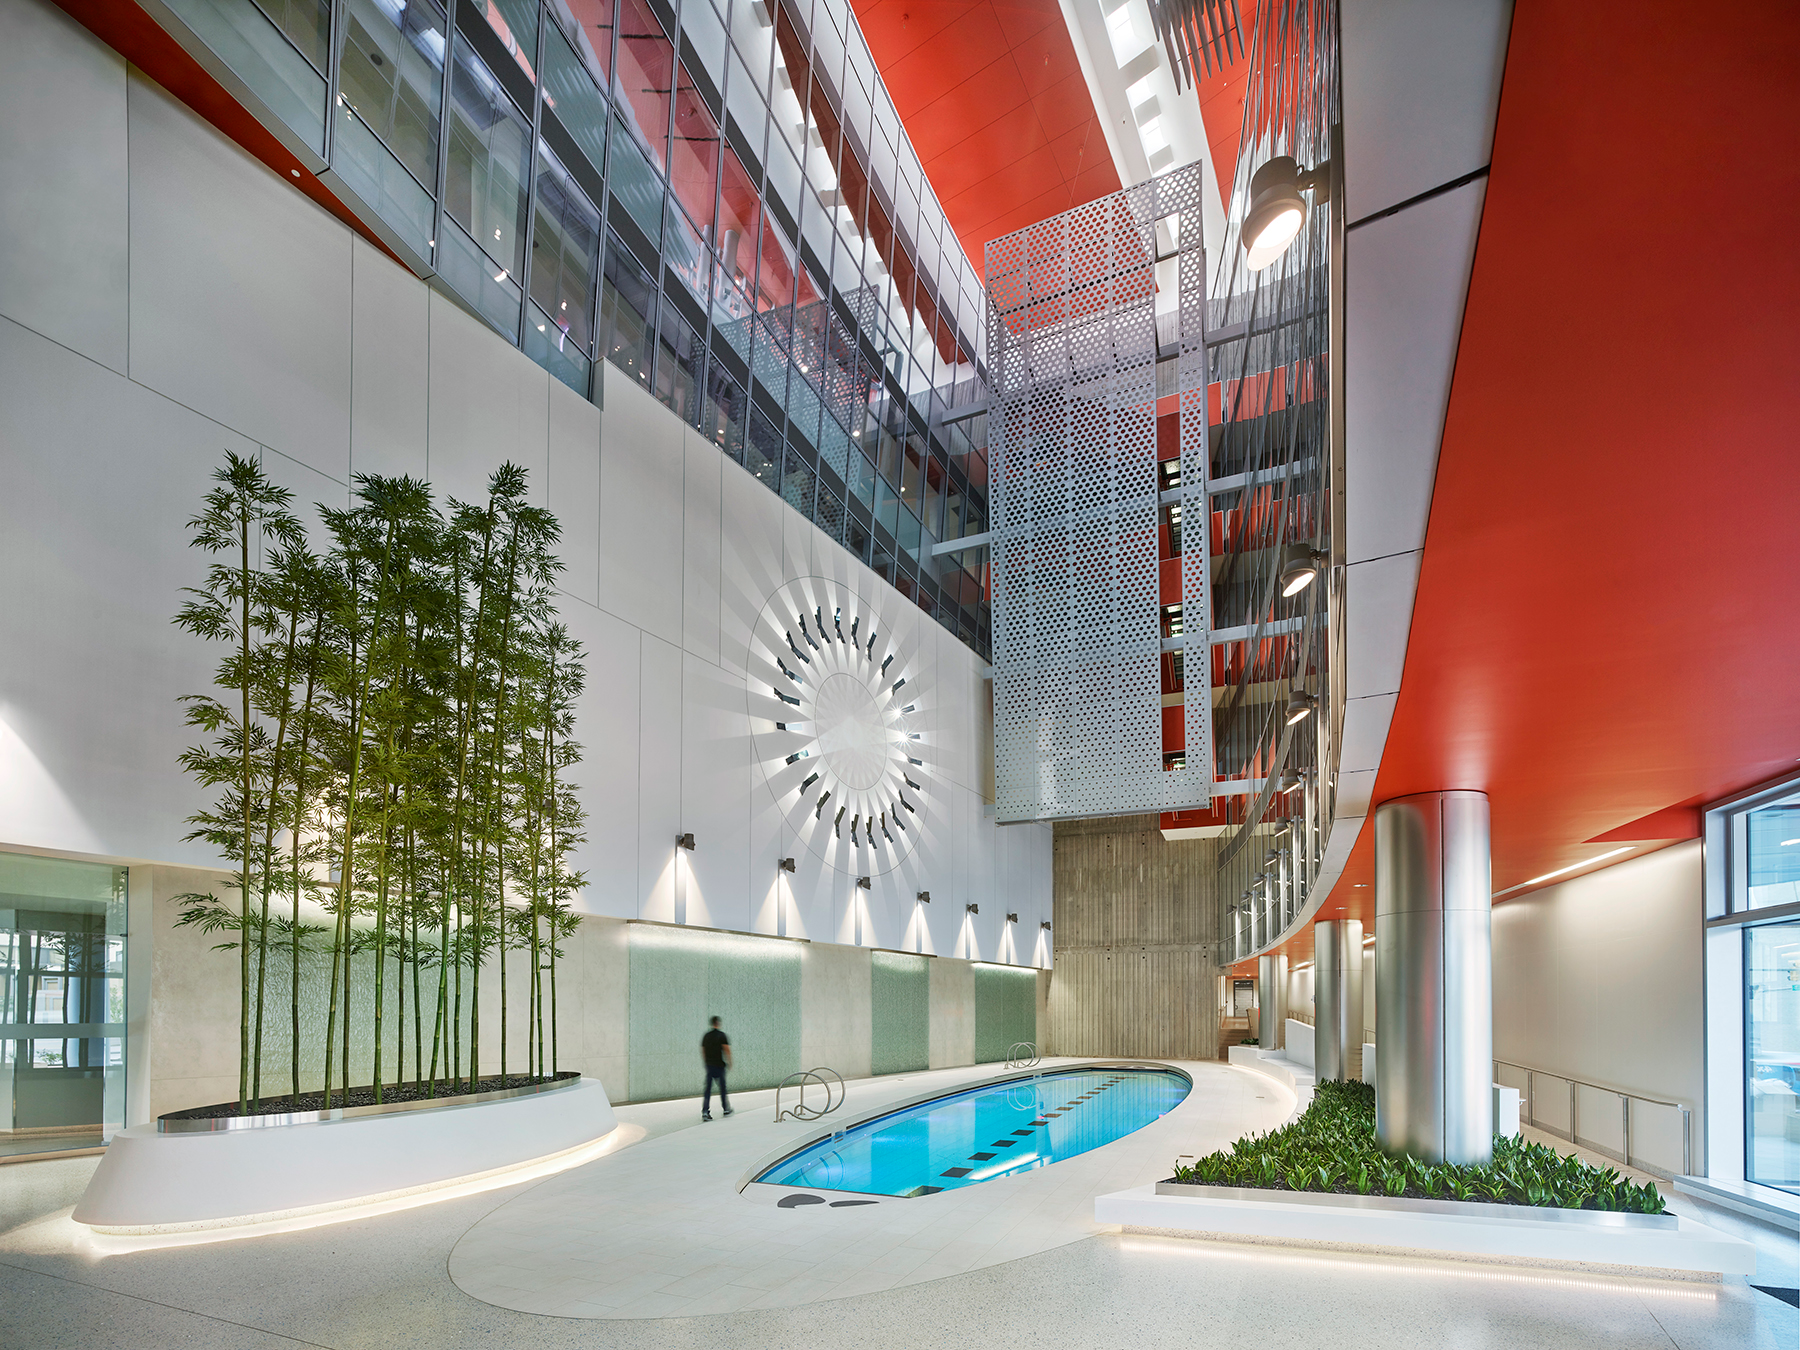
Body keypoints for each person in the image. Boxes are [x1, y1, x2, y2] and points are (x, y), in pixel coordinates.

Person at [701, 1015, 732, 1120]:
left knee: (708, 1090)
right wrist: (729, 1061)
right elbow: (726, 1049)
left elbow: (703, 1050)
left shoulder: (706, 1036)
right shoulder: (722, 1036)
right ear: (718, 1023)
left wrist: (706, 1061)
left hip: (709, 1065)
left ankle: (705, 1111)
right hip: (719, 1066)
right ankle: (726, 1109)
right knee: (723, 1088)